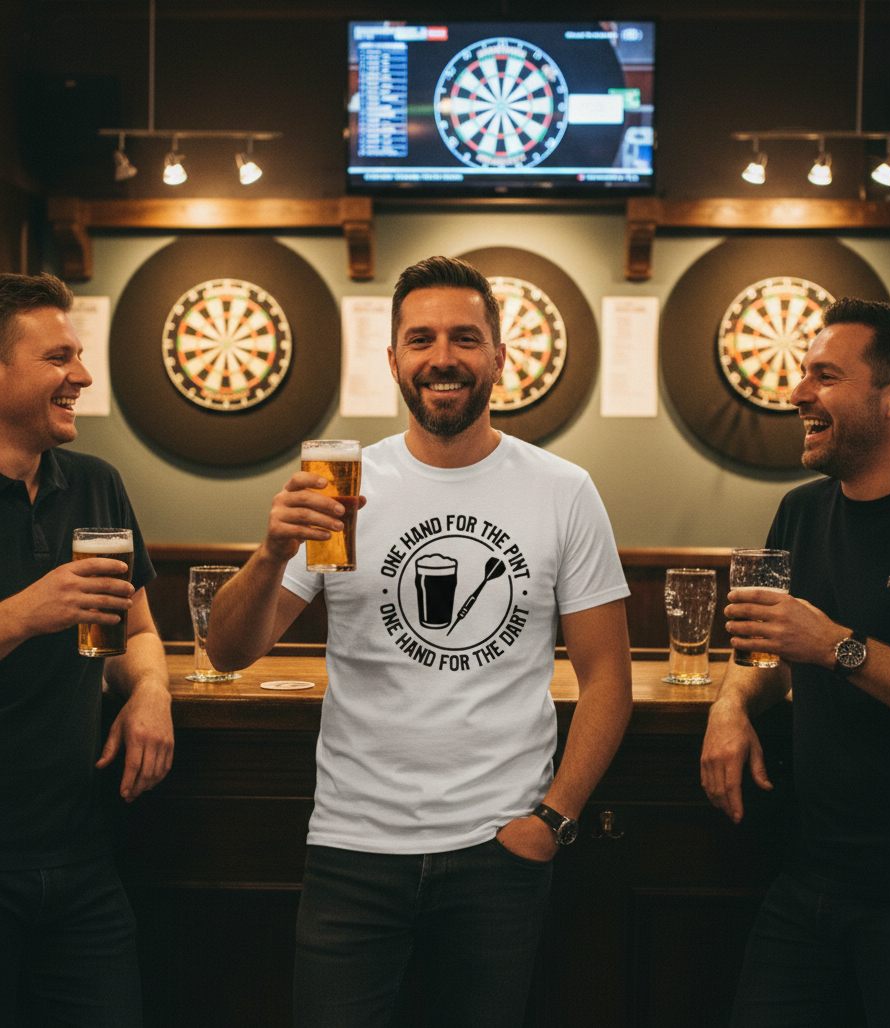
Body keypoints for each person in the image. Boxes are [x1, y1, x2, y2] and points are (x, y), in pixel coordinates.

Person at [207, 255, 633, 1028]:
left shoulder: (561, 490)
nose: (443, 357)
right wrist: (270, 551)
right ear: (395, 359)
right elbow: (230, 653)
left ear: (501, 358)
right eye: (422, 339)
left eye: (466, 338)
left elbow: (608, 678)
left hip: (498, 853)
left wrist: (553, 819)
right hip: (351, 846)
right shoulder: (341, 486)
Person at [700, 296, 890, 1027]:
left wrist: (837, 647)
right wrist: (731, 704)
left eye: (824, 376)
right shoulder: (800, 512)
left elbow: (815, 643)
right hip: (810, 873)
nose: (797, 393)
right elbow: (760, 651)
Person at [0, 272, 174, 1027]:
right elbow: (35, 618)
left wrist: (150, 692)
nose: (82, 376)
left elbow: (136, 632)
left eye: (78, 355)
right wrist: (20, 615)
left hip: (82, 858)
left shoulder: (95, 484)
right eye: (57, 358)